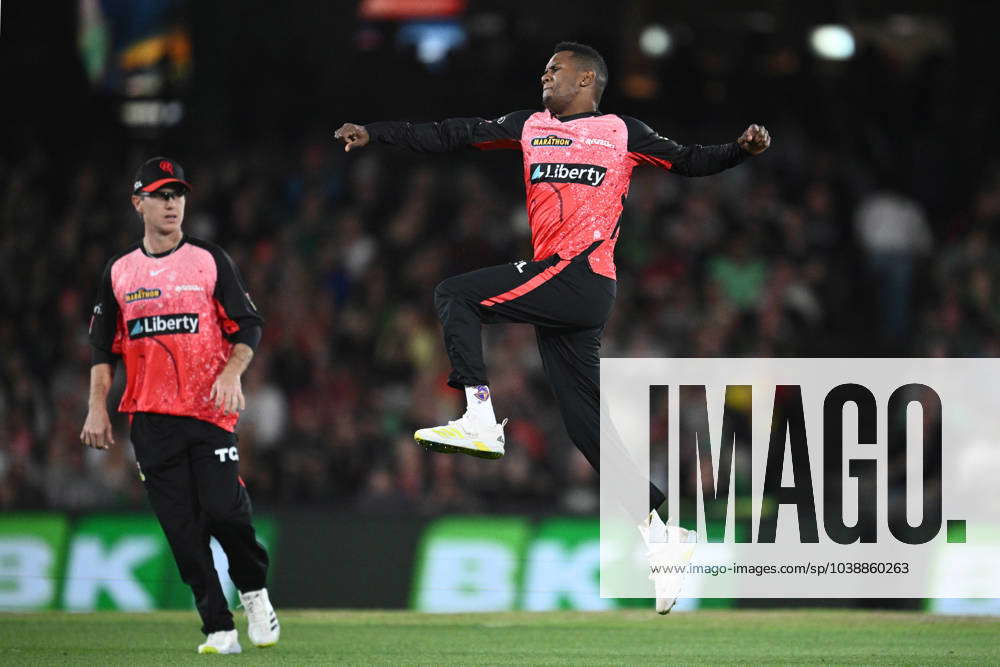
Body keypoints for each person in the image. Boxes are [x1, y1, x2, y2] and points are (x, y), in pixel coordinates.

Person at [335, 41, 771, 612]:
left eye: (555, 69)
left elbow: (690, 159)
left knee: (454, 294)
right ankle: (664, 535)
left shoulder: (622, 131)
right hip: (569, 289)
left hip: (579, 274)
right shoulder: (529, 125)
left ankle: (480, 416)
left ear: (587, 78)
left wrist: (739, 149)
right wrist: (377, 131)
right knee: (584, 426)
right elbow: (453, 132)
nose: (544, 75)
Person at [80, 157, 280, 653]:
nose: (171, 203)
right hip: (150, 421)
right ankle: (218, 628)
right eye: (160, 194)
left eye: (178, 194)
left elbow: (248, 324)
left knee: (224, 513)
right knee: (181, 531)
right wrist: (96, 408)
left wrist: (233, 373)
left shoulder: (210, 260)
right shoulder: (119, 272)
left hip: (209, 412)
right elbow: (103, 349)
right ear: (138, 203)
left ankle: (253, 591)